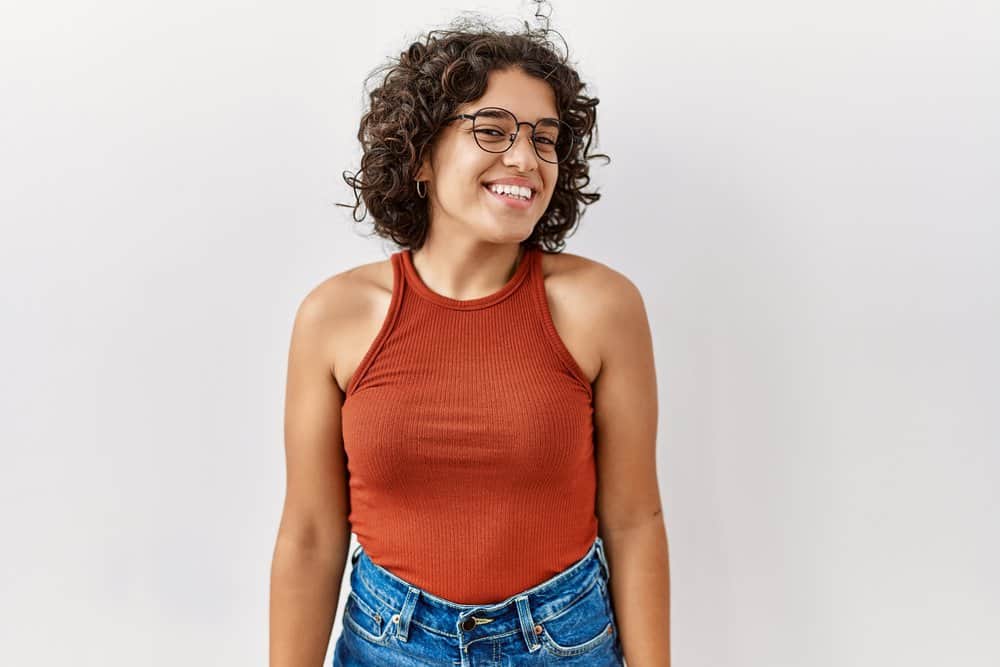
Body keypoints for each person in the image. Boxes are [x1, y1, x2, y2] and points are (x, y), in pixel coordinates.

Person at [270, 7, 670, 666]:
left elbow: (634, 521)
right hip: (387, 644)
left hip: (563, 641)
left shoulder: (601, 308)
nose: (526, 156)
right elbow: (311, 535)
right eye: (492, 129)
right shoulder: (334, 316)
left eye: (544, 138)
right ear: (420, 155)